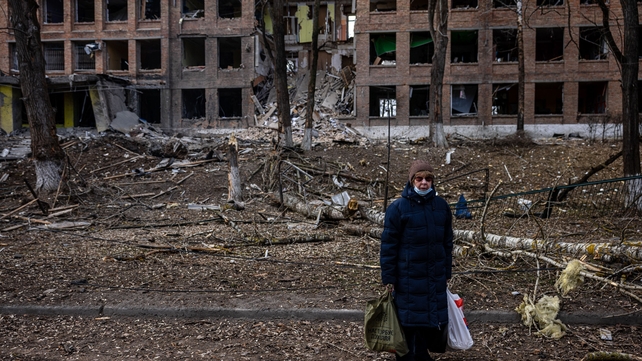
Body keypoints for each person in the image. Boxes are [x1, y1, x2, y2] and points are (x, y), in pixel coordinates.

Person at [380, 160, 454, 361]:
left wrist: (446, 272)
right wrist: (389, 277)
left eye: (428, 179)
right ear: (412, 180)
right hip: (408, 276)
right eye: (419, 179)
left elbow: (447, 242)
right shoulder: (398, 208)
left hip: (434, 274)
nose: (424, 183)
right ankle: (406, 355)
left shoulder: (441, 207)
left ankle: (420, 353)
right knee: (408, 319)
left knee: (428, 318)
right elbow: (388, 246)